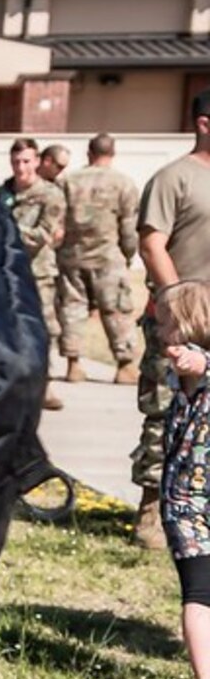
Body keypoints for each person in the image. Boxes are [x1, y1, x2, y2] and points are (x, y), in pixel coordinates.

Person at [134, 90, 210, 549]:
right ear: (204, 123)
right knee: (166, 409)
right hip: (180, 319)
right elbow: (151, 244)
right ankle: (150, 507)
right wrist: (178, 303)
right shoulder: (173, 177)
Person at [154, 281, 210, 679]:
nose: (158, 334)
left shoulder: (193, 363)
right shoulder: (181, 367)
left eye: (163, 324)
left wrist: (202, 358)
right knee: (200, 593)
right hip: (186, 502)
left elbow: (195, 360)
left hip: (187, 498)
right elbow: (187, 361)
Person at [58, 132, 142, 386]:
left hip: (72, 256)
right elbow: (129, 229)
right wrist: (127, 255)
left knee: (72, 309)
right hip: (108, 257)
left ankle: (73, 364)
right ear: (112, 154)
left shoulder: (68, 181)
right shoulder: (124, 183)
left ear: (89, 153)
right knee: (116, 310)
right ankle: (125, 365)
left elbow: (58, 220)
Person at [0, 137, 67, 411]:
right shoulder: (1, 193)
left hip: (38, 272)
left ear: (37, 161)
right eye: (16, 162)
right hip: (5, 271)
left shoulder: (50, 195)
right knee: (6, 327)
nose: (21, 167)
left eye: (26, 161)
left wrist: (8, 228)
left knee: (43, 329)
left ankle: (45, 384)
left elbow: (42, 235)